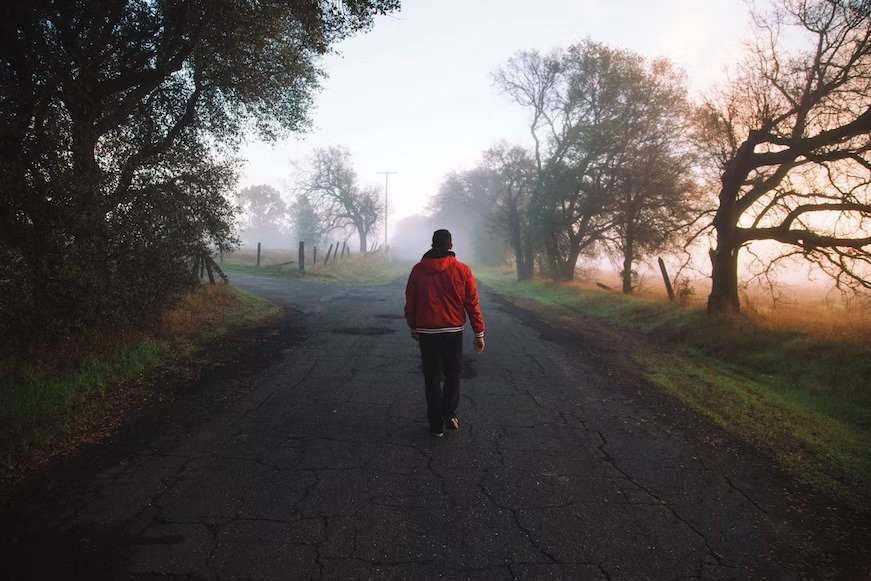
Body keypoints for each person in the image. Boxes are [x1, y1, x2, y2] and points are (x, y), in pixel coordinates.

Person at [404, 229, 486, 437]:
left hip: (427, 331)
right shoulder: (462, 270)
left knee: (432, 377)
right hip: (453, 330)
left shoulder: (418, 270)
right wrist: (479, 333)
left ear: (432, 244)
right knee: (452, 374)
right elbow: (472, 302)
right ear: (451, 245)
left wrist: (413, 325)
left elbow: (410, 300)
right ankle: (449, 414)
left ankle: (435, 425)